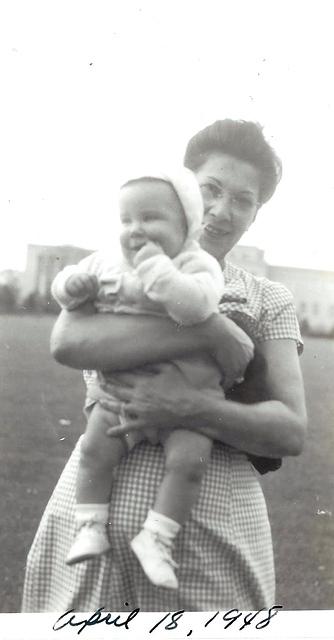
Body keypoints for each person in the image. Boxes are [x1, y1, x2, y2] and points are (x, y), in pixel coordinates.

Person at [22, 119, 307, 612]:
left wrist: (190, 408)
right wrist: (211, 330)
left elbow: (288, 432)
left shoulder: (268, 298)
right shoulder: (115, 266)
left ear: (256, 214)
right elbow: (69, 342)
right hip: (88, 535)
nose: (222, 211)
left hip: (209, 541)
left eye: (244, 200)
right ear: (185, 193)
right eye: (210, 190)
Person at [50, 167, 253, 588]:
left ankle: (157, 537)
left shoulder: (197, 264)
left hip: (187, 398)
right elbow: (65, 313)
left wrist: (158, 270)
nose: (135, 230)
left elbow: (195, 307)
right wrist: (72, 285)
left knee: (189, 462)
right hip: (117, 396)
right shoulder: (107, 261)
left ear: (187, 225)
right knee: (93, 450)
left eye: (150, 219)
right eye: (127, 220)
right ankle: (90, 524)